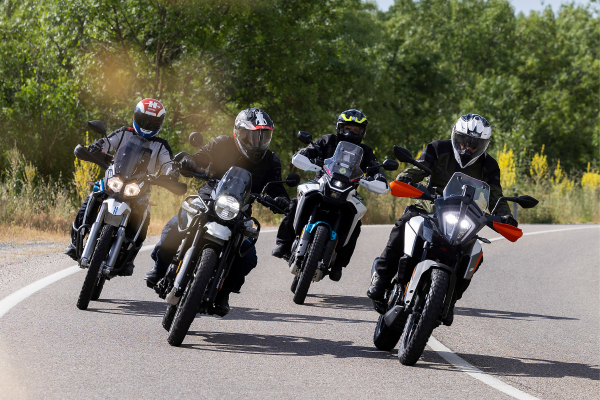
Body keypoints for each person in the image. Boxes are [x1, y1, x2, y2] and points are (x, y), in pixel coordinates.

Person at [367, 113, 517, 324]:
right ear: (456, 136)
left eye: (474, 144)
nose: (467, 147)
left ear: (484, 145)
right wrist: (407, 178)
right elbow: (419, 167)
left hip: (465, 218)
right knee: (404, 225)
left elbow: (495, 194)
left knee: (474, 253)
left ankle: (450, 300)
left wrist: (505, 216)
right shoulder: (438, 148)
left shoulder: (489, 165)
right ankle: (381, 278)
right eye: (464, 140)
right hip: (429, 207)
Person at [144, 107, 290, 316]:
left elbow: (277, 188)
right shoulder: (222, 144)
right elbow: (199, 158)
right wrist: (190, 162)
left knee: (248, 257)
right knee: (174, 227)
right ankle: (160, 268)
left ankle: (223, 293)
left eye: (262, 136)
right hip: (209, 198)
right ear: (238, 132)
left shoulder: (271, 160)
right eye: (251, 136)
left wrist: (282, 201)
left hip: (240, 211)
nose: (257, 142)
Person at [271, 109, 387, 281]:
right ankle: (283, 243)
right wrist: (305, 154)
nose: (351, 133)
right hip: (321, 182)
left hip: (348, 191)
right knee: (295, 203)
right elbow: (311, 149)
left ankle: (339, 264)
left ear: (362, 132)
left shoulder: (366, 151)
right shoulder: (327, 140)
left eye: (356, 130)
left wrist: (379, 177)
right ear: (339, 128)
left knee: (355, 223)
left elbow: (375, 168)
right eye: (347, 128)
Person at [64, 98, 175, 276]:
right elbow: (107, 142)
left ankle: (128, 259)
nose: (147, 125)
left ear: (160, 124)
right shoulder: (124, 132)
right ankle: (75, 239)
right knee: (94, 194)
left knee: (144, 215)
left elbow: (168, 164)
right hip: (114, 180)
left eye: (152, 122)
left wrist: (172, 174)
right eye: (144, 119)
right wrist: (96, 147)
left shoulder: (161, 145)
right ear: (136, 116)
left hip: (139, 190)